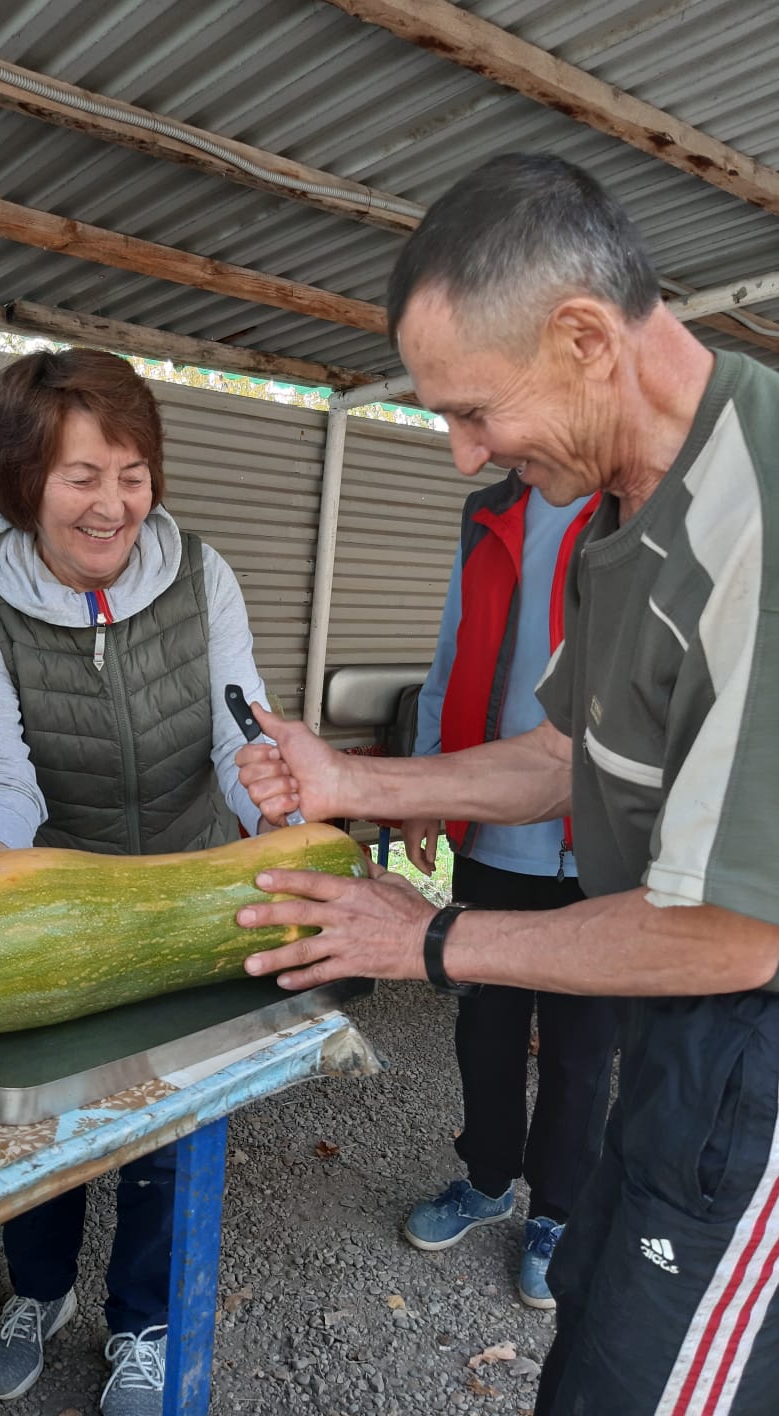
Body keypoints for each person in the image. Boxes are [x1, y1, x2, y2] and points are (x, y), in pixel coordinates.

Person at [232, 153, 779, 1416]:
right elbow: (563, 759)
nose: (461, 452)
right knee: (590, 1328)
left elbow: (735, 934)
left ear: (586, 338)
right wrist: (349, 779)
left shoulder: (757, 524)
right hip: (684, 1038)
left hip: (753, 1055)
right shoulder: (616, 507)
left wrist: (425, 937)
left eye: (474, 412)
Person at [0, 348, 270, 1416]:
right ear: (23, 478)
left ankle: (140, 1323)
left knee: (167, 1127)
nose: (114, 502)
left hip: (188, 880)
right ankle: (39, 1293)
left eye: (133, 471)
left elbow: (240, 737)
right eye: (84, 474)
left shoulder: (202, 575)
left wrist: (292, 826)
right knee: (37, 1118)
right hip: (51, 895)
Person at [401, 477, 615, 1309]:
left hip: (596, 840)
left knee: (581, 1049)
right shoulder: (489, 508)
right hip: (492, 828)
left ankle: (558, 1211)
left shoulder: (635, 499)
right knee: (485, 1027)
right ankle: (487, 1179)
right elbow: (453, 648)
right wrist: (426, 782)